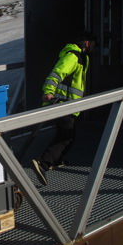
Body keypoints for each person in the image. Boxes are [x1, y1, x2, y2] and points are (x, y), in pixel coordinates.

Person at [32, 33, 95, 185]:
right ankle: (44, 163)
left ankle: (56, 159)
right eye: (93, 43)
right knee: (66, 137)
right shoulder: (73, 57)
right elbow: (57, 73)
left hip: (70, 104)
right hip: (63, 103)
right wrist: (48, 91)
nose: (94, 46)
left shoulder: (81, 57)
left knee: (65, 134)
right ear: (87, 43)